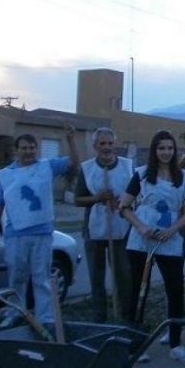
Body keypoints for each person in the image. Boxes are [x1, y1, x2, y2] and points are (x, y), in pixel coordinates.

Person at [0, 125, 78, 326]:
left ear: (35, 149)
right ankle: (15, 313)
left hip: (42, 233)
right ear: (16, 150)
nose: (28, 151)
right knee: (17, 277)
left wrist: (71, 140)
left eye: (31, 147)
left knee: (42, 277)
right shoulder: (5, 175)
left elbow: (73, 163)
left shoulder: (47, 166)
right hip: (16, 234)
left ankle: (45, 317)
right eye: (24, 148)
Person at [119, 130, 185, 363]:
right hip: (141, 240)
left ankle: (175, 343)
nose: (166, 152)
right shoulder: (140, 175)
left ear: (175, 151)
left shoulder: (184, 178)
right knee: (138, 290)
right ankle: (135, 344)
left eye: (170, 148)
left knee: (175, 289)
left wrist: (172, 230)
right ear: (154, 150)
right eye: (161, 148)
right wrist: (141, 227)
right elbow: (124, 207)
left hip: (169, 240)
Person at [74, 127, 133, 323]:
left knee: (123, 275)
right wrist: (97, 197)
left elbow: (136, 194)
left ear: (115, 144)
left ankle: (125, 316)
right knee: (96, 276)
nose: (107, 147)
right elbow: (78, 199)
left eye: (110, 143)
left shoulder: (127, 167)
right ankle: (99, 318)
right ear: (95, 146)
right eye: (102, 144)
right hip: (94, 228)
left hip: (121, 228)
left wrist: (124, 201)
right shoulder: (87, 168)